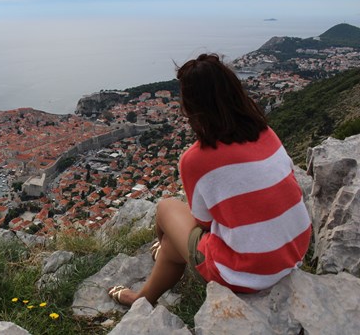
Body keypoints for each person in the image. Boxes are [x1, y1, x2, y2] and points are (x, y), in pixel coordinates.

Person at [108, 53, 312, 306]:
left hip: (248, 272)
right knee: (176, 241)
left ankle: (142, 295)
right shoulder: (266, 132)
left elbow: (203, 223)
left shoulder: (196, 159)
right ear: (235, 91)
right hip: (294, 251)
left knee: (165, 208)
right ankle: (164, 262)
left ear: (189, 106)